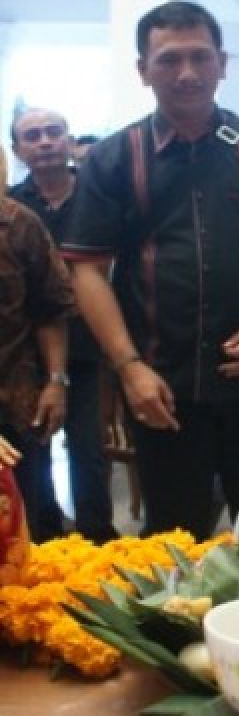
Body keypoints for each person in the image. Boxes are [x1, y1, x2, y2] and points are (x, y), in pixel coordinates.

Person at [62, 1, 239, 538]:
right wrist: (129, 367)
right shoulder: (114, 159)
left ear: (222, 63)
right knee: (173, 543)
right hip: (162, 388)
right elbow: (88, 270)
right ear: (143, 70)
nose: (187, 73)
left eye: (199, 57)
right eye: (168, 60)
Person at [9, 107, 118, 542]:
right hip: (26, 355)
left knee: (90, 450)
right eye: (32, 136)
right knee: (32, 456)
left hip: (92, 346)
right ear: (18, 150)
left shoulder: (99, 198)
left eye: (53, 133)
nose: (44, 142)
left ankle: (96, 541)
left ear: (69, 140)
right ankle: (47, 541)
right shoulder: (13, 209)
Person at [0, 147, 73, 543]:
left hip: (18, 402)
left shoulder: (20, 225)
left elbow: (51, 309)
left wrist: (56, 381)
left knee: (32, 523)